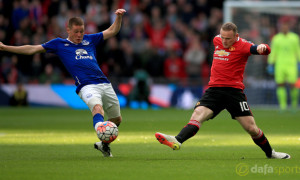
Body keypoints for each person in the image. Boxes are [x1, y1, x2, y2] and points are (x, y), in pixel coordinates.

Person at [0, 9, 127, 157]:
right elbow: (32, 49)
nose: (79, 35)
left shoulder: (89, 40)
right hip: (86, 86)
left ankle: (104, 146)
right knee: (97, 108)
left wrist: (118, 17)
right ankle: (100, 129)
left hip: (104, 83)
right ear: (68, 29)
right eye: (76, 32)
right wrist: (4, 47)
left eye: (81, 31)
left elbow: (112, 31)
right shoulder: (59, 44)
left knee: (117, 119)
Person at [155, 22, 290, 159]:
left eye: (228, 38)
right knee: (198, 114)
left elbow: (265, 49)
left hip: (234, 92)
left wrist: (263, 47)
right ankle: (177, 140)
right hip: (214, 90)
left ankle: (270, 153)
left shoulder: (244, 45)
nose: (224, 41)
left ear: (236, 36)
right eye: (223, 37)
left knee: (251, 128)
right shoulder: (216, 40)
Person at [267, 19, 300, 112]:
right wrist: (270, 63)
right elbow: (273, 52)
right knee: (280, 84)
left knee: (293, 85)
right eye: (283, 26)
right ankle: (283, 106)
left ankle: (294, 105)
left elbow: (298, 50)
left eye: (286, 26)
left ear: (288, 27)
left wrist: (299, 62)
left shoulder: (294, 38)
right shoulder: (276, 38)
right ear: (280, 27)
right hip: (280, 64)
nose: (284, 27)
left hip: (292, 64)